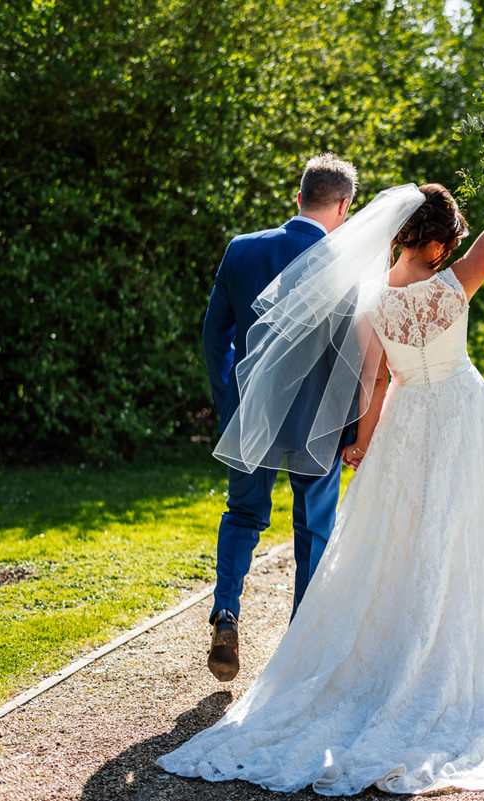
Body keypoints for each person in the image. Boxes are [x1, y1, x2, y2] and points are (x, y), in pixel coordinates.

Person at [157, 140, 484, 794]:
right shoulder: (455, 283)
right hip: (462, 418)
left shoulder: (372, 298)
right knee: (460, 540)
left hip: (404, 429)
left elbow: (373, 383)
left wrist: (362, 444)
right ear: (439, 244)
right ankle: (438, 656)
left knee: (392, 546)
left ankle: (356, 653)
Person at [201, 153, 359, 682]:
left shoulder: (243, 250)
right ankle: (299, 649)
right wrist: (354, 426)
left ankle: (226, 611)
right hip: (320, 420)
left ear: (299, 197)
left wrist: (233, 402)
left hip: (253, 415)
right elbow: (353, 353)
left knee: (243, 515)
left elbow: (214, 336)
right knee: (313, 528)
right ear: (344, 205)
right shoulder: (347, 262)